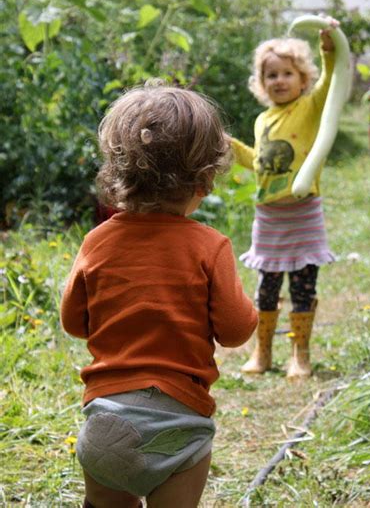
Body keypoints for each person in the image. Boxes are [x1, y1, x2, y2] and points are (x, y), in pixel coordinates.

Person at [60, 82, 257, 508]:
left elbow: (74, 323)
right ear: (205, 180)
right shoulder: (210, 247)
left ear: (118, 172)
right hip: (178, 428)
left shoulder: (97, 242)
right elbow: (237, 331)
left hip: (106, 424)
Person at [231, 20, 340, 379]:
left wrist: (328, 47)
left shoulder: (309, 107)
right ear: (262, 84)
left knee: (303, 284)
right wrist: (232, 148)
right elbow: (259, 162)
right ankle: (262, 353)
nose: (279, 81)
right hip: (269, 216)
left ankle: (300, 354)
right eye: (271, 75)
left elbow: (331, 83)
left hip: (303, 212)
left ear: (302, 78)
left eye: (287, 73)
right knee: (267, 286)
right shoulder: (263, 120)